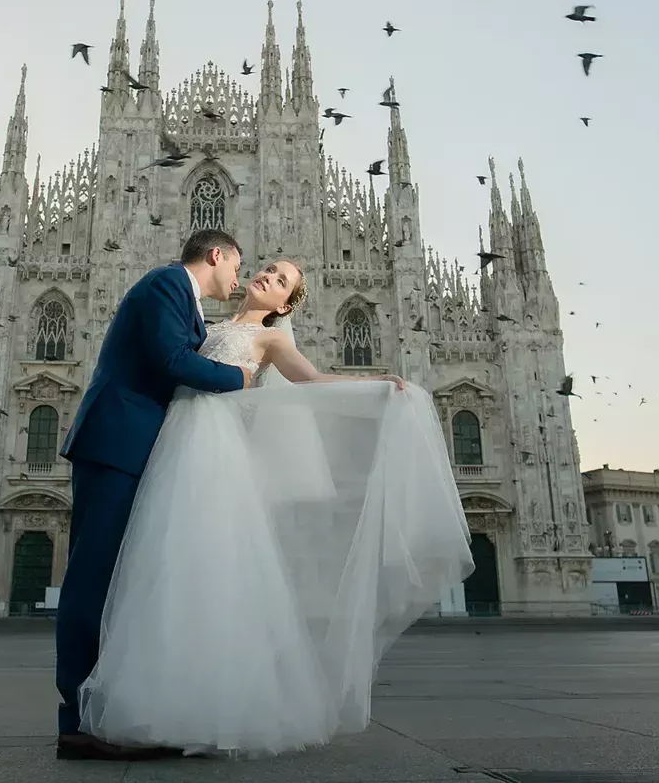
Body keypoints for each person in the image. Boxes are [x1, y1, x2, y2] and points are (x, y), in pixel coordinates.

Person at [77, 258, 474, 758]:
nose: (267, 275)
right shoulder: (203, 323)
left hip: (214, 453)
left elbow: (310, 382)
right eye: (267, 269)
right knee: (166, 572)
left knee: (214, 571)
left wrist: (378, 383)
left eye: (281, 280)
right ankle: (166, 703)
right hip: (169, 446)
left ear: (284, 305)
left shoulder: (273, 339)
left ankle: (210, 707)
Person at [54, 229, 255, 761]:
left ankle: (107, 713)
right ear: (216, 255)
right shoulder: (165, 284)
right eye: (238, 265)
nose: (240, 278)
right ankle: (75, 722)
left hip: (136, 448)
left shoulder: (182, 301)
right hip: (116, 443)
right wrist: (243, 377)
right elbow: (172, 362)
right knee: (92, 582)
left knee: (120, 584)